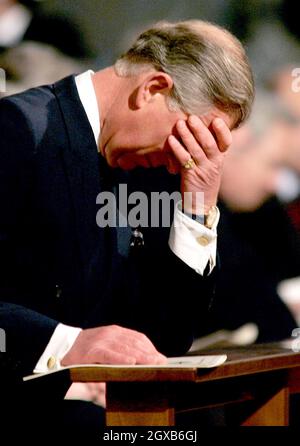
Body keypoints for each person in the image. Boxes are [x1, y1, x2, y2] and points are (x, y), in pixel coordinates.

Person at [0, 20, 254, 432]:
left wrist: (198, 207)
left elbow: (165, 339)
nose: (183, 158)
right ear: (153, 89)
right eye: (192, 135)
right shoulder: (19, 129)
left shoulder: (140, 161)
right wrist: (67, 344)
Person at [196, 92, 299, 344]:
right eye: (273, 165)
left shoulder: (265, 211)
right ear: (235, 143)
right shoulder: (170, 204)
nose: (274, 183)